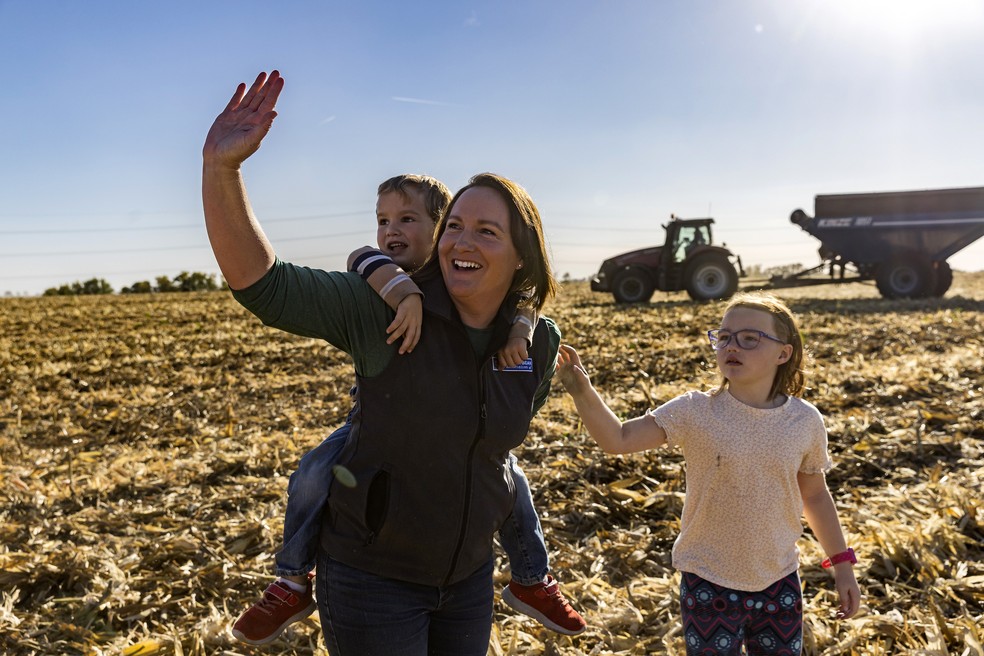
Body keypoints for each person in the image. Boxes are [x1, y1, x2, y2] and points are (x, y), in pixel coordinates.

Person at [203, 70, 579, 655]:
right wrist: (222, 170)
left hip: (469, 582)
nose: (462, 242)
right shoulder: (383, 306)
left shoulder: (537, 343)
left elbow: (493, 450)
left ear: (520, 253)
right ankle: (291, 578)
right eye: (455, 225)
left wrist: (524, 324)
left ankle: (533, 578)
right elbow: (263, 286)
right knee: (317, 467)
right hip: (370, 582)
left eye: (486, 231)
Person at [556, 292, 861, 655]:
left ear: (784, 353)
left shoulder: (805, 421)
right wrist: (582, 392)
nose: (733, 346)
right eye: (725, 336)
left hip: (779, 580)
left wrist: (842, 564)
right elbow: (618, 439)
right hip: (708, 581)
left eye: (750, 338)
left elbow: (814, 495)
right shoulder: (695, 411)